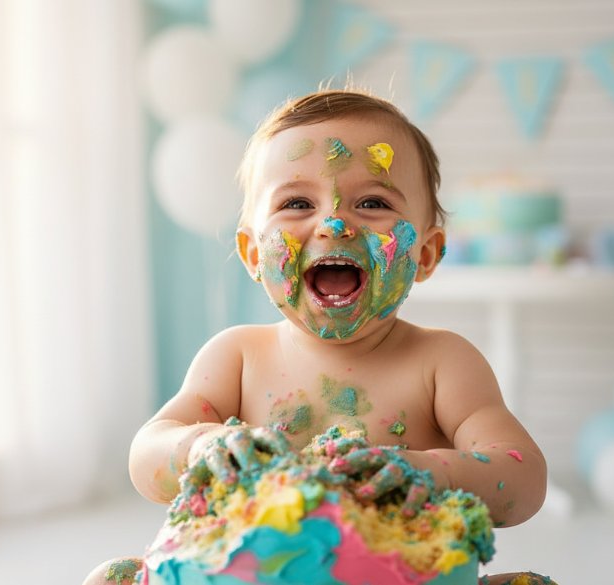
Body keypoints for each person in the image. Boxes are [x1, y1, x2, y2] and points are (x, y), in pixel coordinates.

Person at [85, 89, 552, 585]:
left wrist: (432, 473)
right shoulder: (237, 357)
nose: (333, 224)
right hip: (249, 575)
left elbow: (523, 477)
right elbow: (146, 456)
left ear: (427, 253)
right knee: (110, 577)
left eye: (372, 202)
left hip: (395, 576)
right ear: (251, 254)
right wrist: (203, 447)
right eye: (297, 202)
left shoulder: (442, 363)